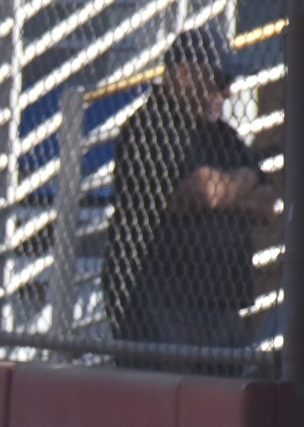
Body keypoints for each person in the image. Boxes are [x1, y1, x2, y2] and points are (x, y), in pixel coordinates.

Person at [102, 28, 278, 371]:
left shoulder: (221, 135)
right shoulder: (150, 127)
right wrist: (241, 182)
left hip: (220, 304)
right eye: (218, 79)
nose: (227, 91)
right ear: (184, 75)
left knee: (224, 398)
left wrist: (222, 189)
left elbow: (267, 202)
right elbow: (200, 193)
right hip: (160, 303)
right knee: (169, 400)